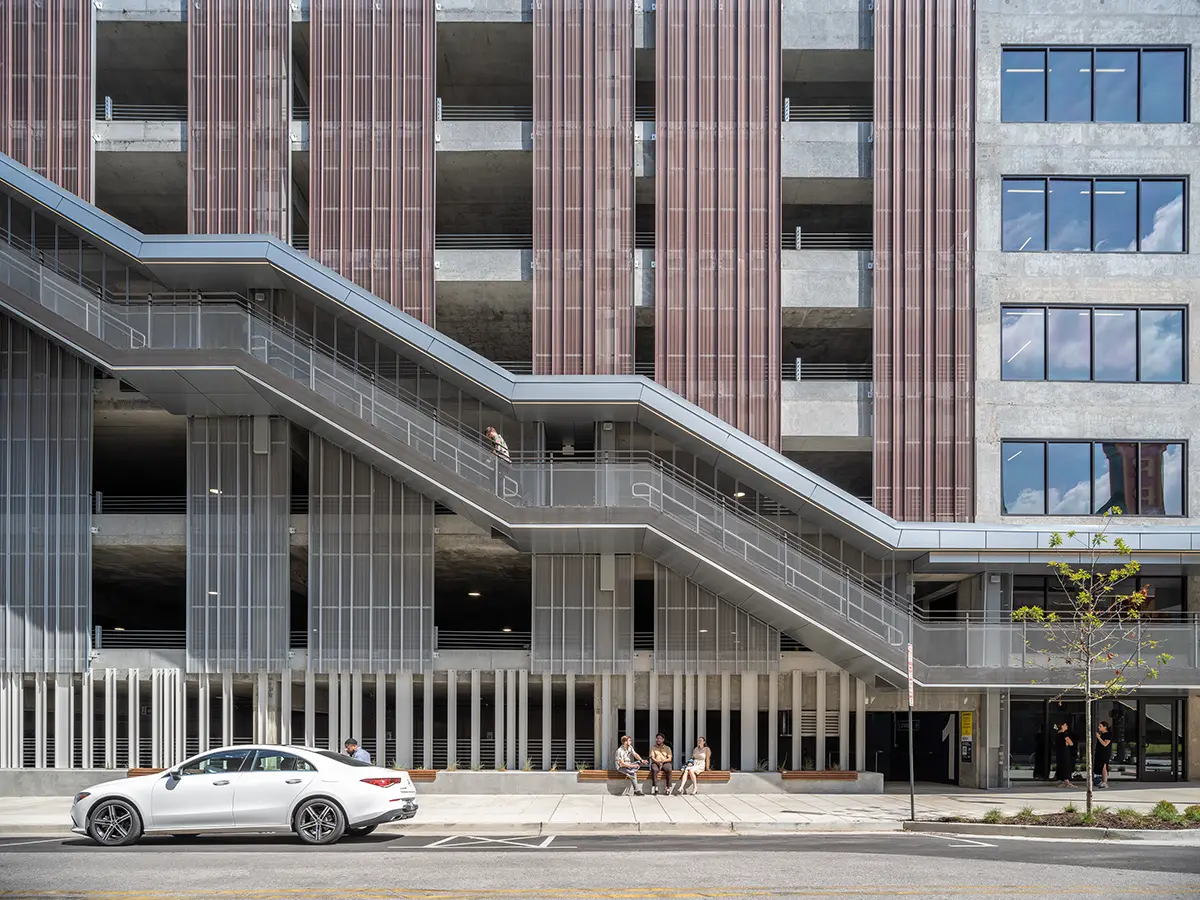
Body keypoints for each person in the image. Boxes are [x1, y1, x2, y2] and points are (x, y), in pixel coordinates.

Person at [1053, 722, 1075, 786]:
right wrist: (1067, 743)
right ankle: (1066, 780)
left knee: (1060, 764)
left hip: (1059, 752)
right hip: (1064, 751)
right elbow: (1071, 743)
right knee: (1066, 764)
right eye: (1065, 725)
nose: (1067, 726)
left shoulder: (1058, 734)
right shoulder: (1064, 734)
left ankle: (1060, 779)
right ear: (1062, 726)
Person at [1093, 721, 1113, 789]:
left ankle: (1104, 782)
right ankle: (1099, 781)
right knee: (1099, 766)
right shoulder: (1102, 734)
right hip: (1099, 752)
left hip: (1105, 752)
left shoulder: (1108, 734)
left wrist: (1099, 737)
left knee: (1104, 766)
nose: (1099, 727)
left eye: (1100, 726)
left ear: (1105, 727)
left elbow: (1105, 744)